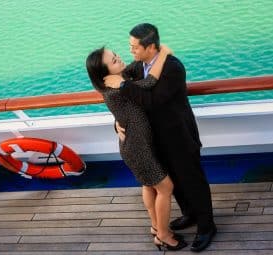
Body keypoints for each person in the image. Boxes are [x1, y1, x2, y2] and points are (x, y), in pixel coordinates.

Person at [104, 23, 217, 252]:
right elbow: (123, 101)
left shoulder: (173, 68)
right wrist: (117, 122)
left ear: (151, 47)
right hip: (154, 140)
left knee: (193, 182)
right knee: (174, 183)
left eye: (135, 47)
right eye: (130, 46)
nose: (131, 51)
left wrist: (124, 85)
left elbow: (152, 100)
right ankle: (190, 214)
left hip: (179, 137)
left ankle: (207, 226)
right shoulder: (138, 67)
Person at [86, 45, 187, 251]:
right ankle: (163, 235)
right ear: (105, 75)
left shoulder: (122, 77)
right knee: (166, 188)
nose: (119, 58)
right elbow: (150, 82)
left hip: (137, 146)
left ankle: (155, 226)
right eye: (114, 60)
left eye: (116, 55)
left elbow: (138, 64)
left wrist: (155, 52)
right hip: (137, 150)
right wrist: (165, 53)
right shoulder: (115, 90)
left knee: (149, 185)